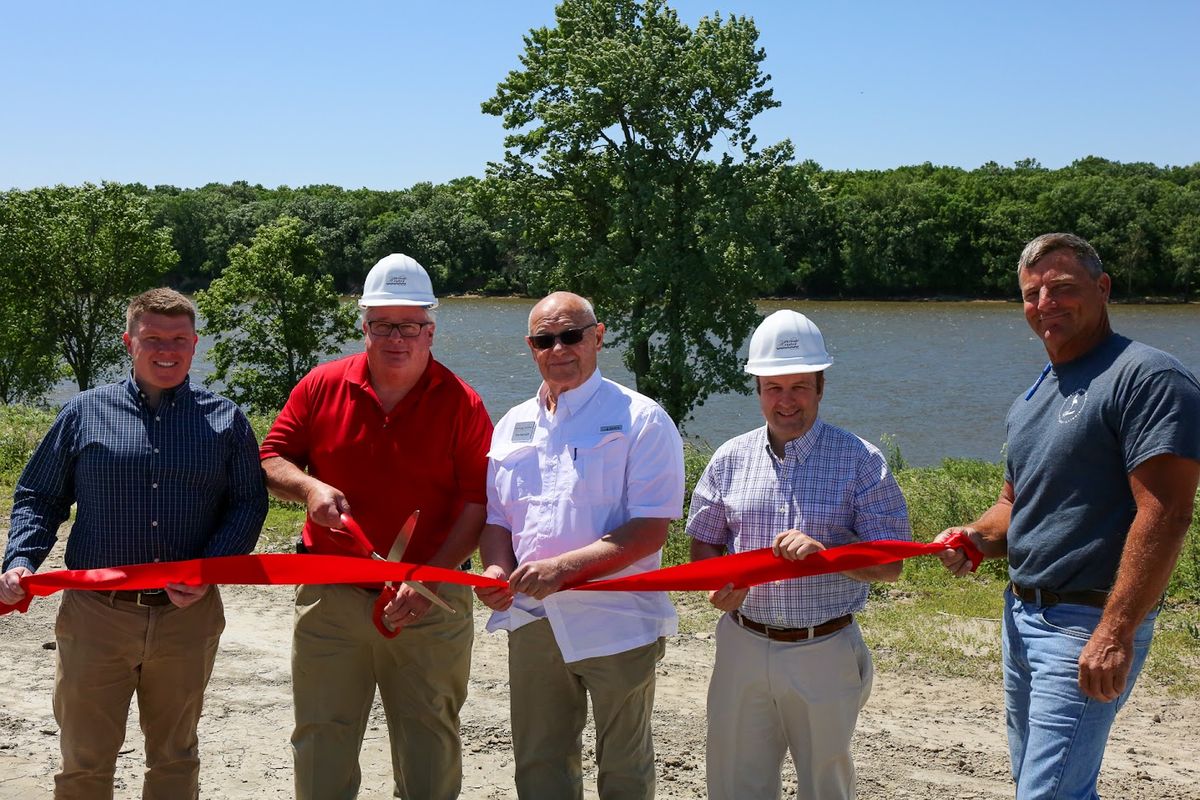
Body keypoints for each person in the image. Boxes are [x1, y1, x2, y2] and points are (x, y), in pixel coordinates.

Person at [936, 233, 1200, 799]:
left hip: (1085, 625)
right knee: (1048, 786)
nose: (1045, 305)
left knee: (1048, 795)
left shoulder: (1148, 377)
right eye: (1032, 295)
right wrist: (975, 537)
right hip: (1022, 618)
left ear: (1102, 289)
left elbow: (1169, 513)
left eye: (1062, 289)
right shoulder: (1034, 395)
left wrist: (1115, 629)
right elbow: (1015, 504)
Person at [0, 288, 268, 800]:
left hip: (187, 617)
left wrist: (208, 569)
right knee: (84, 759)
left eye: (179, 339)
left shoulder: (226, 419)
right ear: (129, 341)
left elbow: (247, 503)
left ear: (194, 344)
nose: (165, 350)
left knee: (175, 756)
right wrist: (20, 560)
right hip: (96, 616)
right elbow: (40, 494)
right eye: (152, 339)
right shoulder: (83, 412)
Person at [259, 253, 492, 800]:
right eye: (382, 324)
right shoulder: (321, 385)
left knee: (429, 747)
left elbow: (477, 504)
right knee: (321, 742)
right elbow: (271, 457)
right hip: (330, 595)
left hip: (432, 600)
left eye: (409, 325)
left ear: (429, 330)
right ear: (363, 326)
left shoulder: (464, 404)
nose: (396, 337)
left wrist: (429, 578)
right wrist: (309, 488)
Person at [685, 309, 911, 800]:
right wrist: (719, 580)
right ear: (758, 390)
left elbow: (891, 565)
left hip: (823, 647)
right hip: (743, 643)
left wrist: (829, 550)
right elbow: (703, 539)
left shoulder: (861, 461)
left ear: (820, 387)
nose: (786, 402)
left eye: (799, 387)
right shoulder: (730, 457)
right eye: (773, 388)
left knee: (825, 785)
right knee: (733, 782)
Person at [474, 291, 685, 800]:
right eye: (546, 340)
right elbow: (497, 519)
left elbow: (649, 529)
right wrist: (497, 570)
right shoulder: (512, 425)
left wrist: (561, 570)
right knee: (539, 763)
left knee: (625, 768)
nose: (559, 348)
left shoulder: (642, 419)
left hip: (616, 622)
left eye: (571, 335)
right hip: (533, 620)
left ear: (598, 336)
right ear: (531, 346)